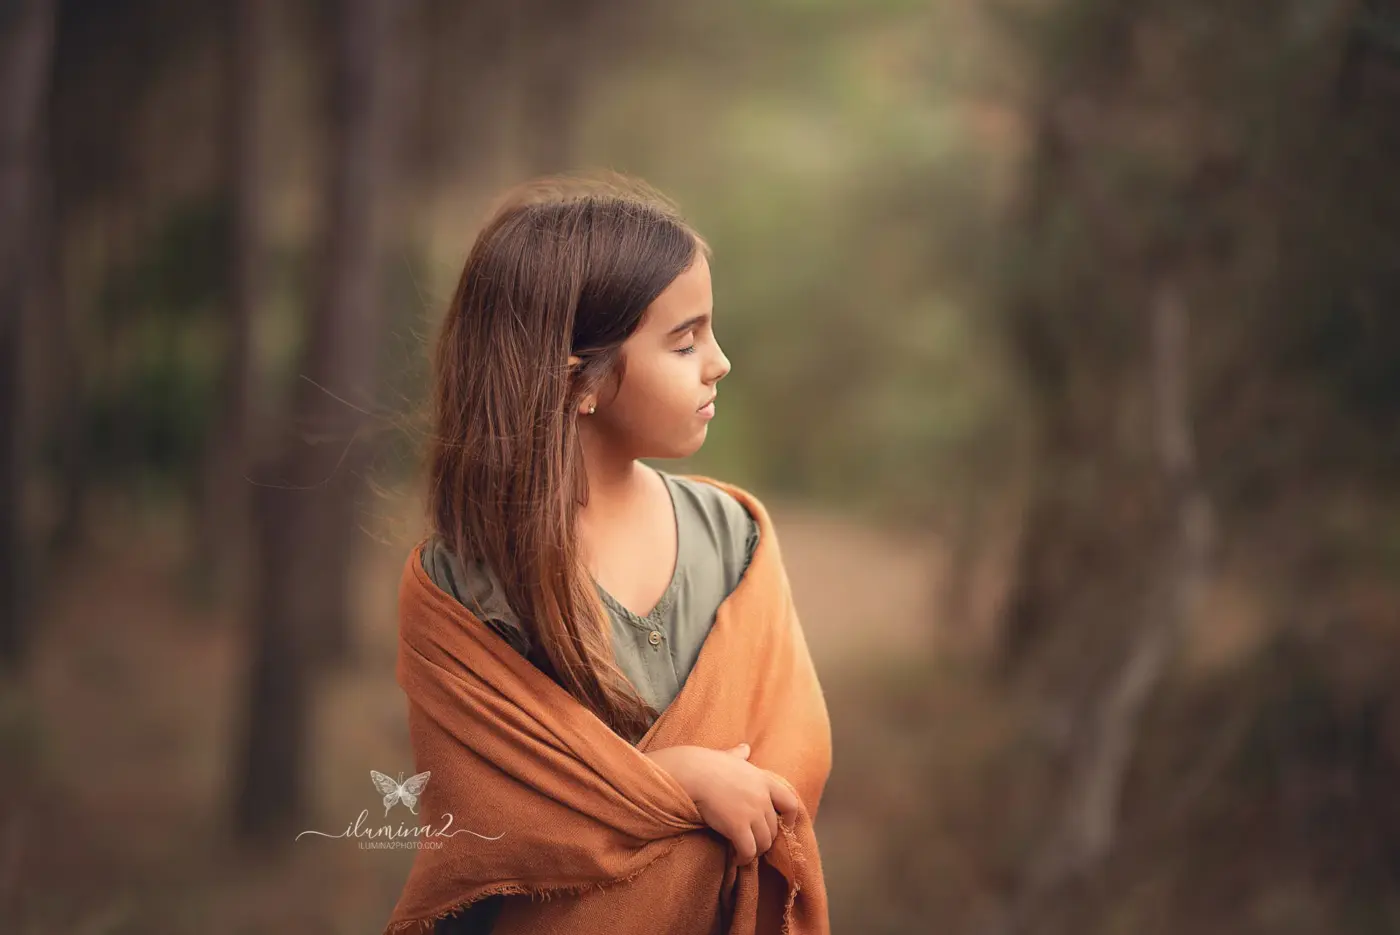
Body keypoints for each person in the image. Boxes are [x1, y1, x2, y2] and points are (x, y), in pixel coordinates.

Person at [386, 173, 831, 935]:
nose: (719, 361)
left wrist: (658, 795)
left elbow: (791, 764)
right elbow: (489, 823)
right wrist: (675, 783)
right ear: (577, 377)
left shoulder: (735, 536)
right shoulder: (461, 587)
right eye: (685, 341)